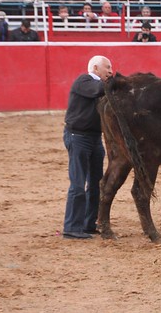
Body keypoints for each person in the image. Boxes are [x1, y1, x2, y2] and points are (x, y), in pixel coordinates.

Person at [62, 55, 113, 240]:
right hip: (78, 137)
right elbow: (97, 90)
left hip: (94, 138)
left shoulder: (100, 86)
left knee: (95, 183)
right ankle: (71, 227)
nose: (110, 71)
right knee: (78, 183)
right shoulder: (84, 80)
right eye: (107, 67)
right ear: (95, 68)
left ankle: (88, 224)